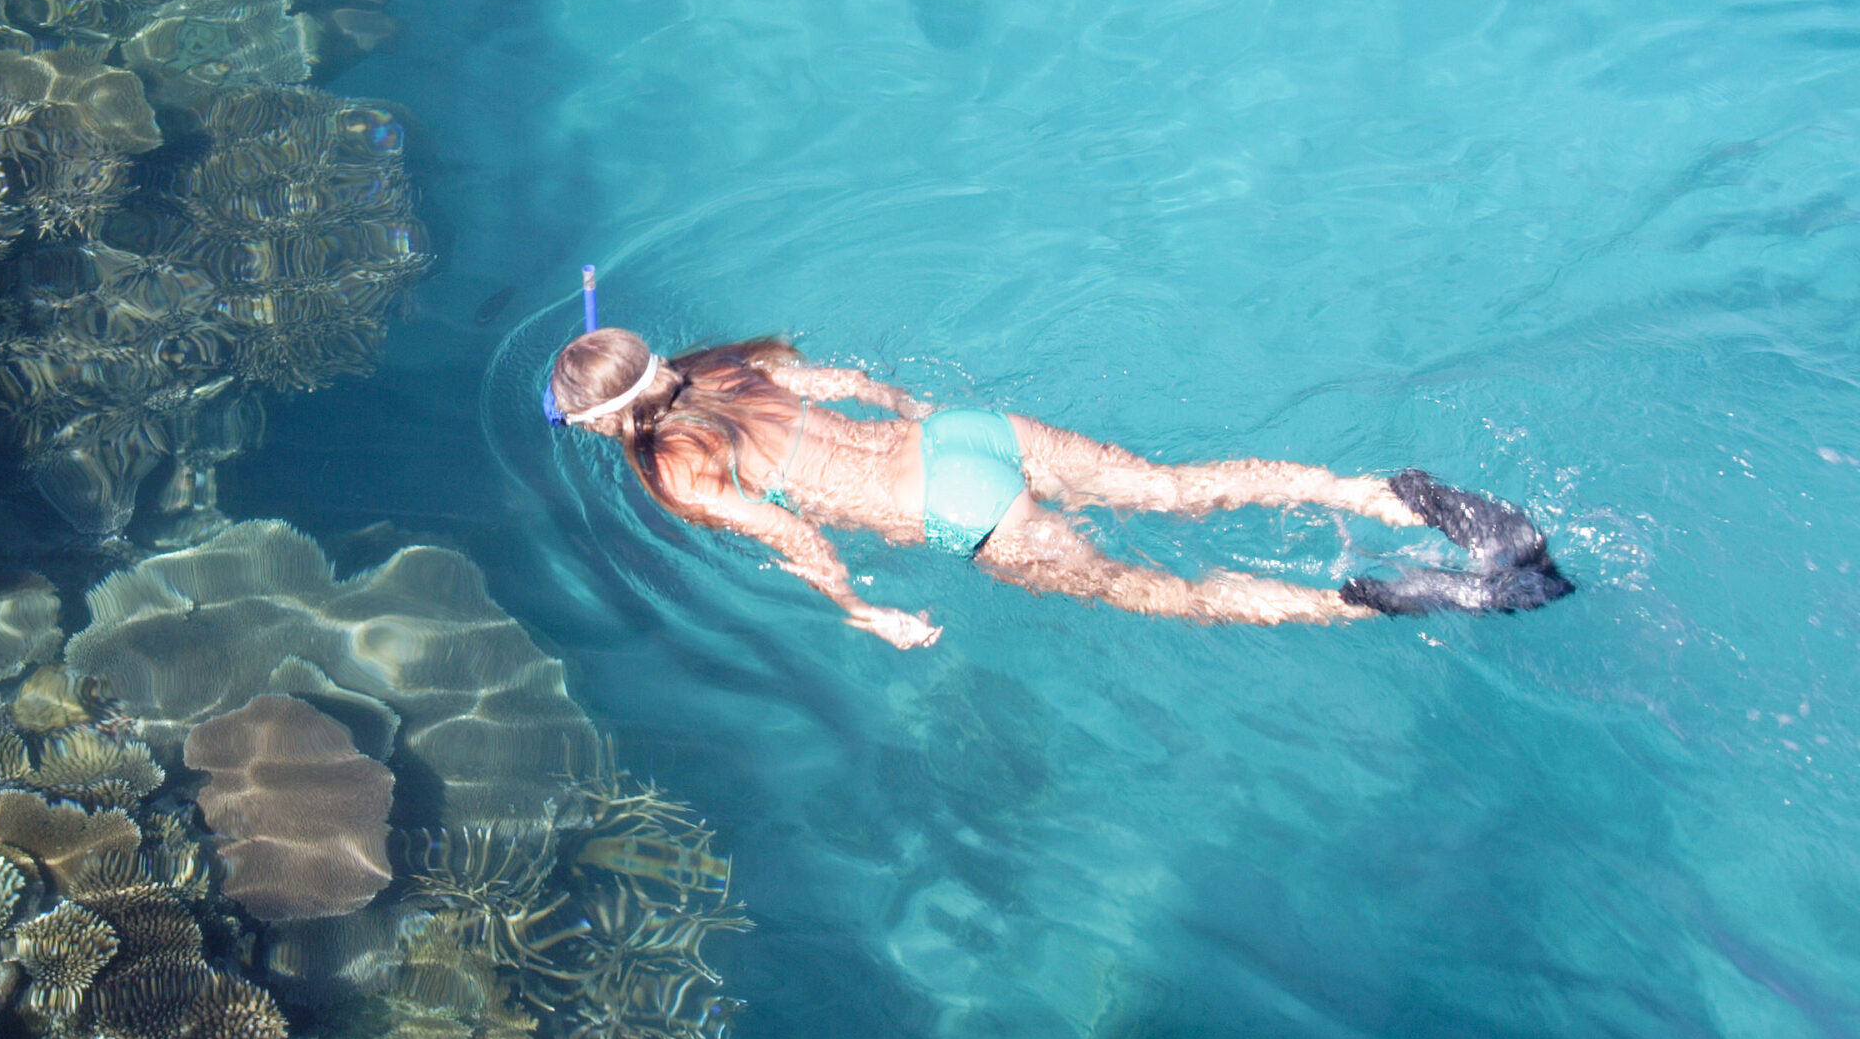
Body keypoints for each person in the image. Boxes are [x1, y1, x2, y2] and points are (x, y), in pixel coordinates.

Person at [546, 329, 1573, 649]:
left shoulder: (669, 471)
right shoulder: (722, 363)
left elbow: (794, 541)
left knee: (1162, 592)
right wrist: (915, 419)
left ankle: (1372, 599)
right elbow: (851, 385)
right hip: (966, 438)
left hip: (957, 517)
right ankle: (1390, 496)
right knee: (1173, 487)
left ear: (601, 420)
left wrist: (864, 611)